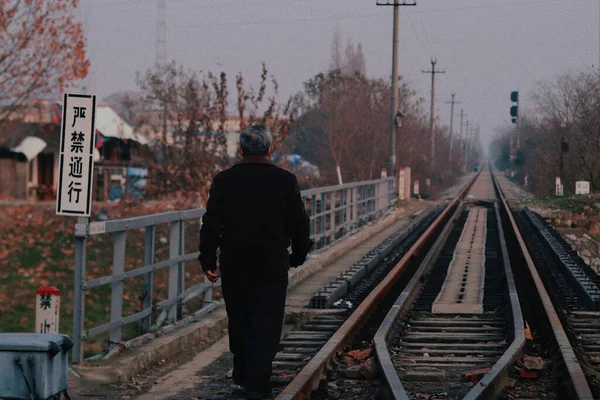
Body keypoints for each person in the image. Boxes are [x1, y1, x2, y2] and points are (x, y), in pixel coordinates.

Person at [199, 125, 311, 399]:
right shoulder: (285, 180)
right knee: (267, 321)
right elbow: (299, 224)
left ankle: (244, 373)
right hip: (271, 264)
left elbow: (211, 223)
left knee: (240, 318)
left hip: (235, 264)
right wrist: (298, 254)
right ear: (269, 149)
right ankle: (256, 382)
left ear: (241, 149)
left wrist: (207, 259)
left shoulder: (224, 180)